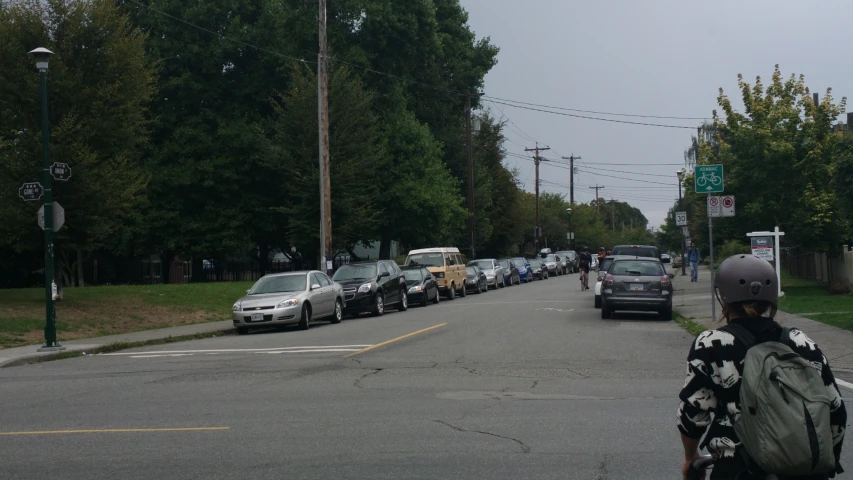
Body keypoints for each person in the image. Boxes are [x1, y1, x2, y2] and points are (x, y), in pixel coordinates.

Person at [677, 254, 846, 480]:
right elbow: (835, 408)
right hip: (804, 472)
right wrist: (824, 460)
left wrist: (691, 457)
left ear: (723, 298)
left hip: (738, 468)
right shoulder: (800, 341)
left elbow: (693, 413)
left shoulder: (711, 344)